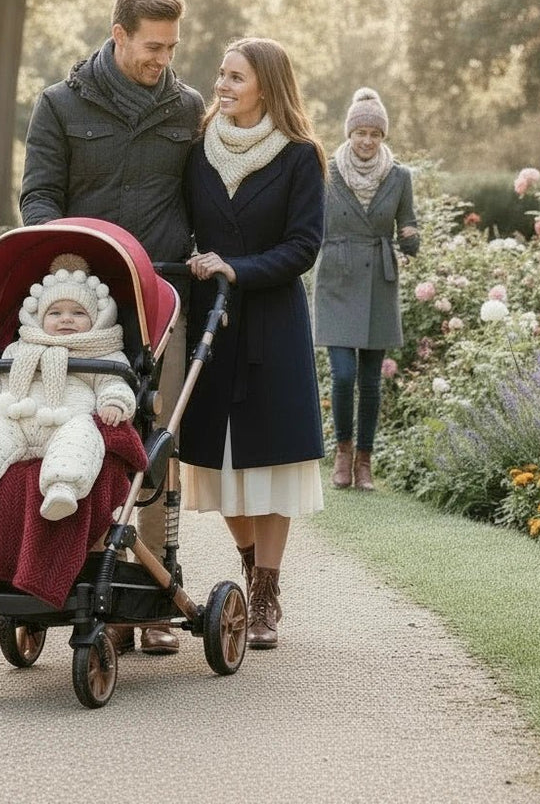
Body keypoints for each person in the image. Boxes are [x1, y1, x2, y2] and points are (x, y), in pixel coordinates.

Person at [20, 0, 204, 654]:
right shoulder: (60, 106)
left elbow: (207, 194)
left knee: (155, 441)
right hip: (82, 305)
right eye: (151, 45)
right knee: (69, 426)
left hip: (161, 298)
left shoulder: (186, 109)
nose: (163, 57)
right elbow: (38, 198)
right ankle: (61, 576)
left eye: (171, 46)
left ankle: (152, 594)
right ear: (118, 33)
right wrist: (70, 264)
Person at [179, 37, 327, 650]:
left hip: (272, 322)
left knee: (270, 462)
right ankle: (248, 562)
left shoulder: (300, 157)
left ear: (265, 84)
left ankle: (265, 594)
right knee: (216, 461)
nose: (222, 84)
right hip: (211, 327)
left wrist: (238, 268)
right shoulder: (197, 153)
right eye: (221, 74)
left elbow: (304, 246)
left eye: (235, 77)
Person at [0, 254, 136, 521]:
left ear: (96, 319)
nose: (66, 320)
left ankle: (63, 488)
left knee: (82, 436)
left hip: (68, 419)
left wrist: (114, 403)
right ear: (40, 317)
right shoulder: (21, 349)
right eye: (55, 313)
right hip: (17, 416)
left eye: (78, 313)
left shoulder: (103, 354)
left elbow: (114, 382)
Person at [312, 87, 419, 490]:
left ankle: (364, 462)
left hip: (379, 278)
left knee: (371, 381)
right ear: (350, 133)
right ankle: (341, 452)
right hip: (336, 277)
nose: (368, 140)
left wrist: (410, 237)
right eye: (361, 132)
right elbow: (309, 223)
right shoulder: (328, 172)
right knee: (342, 375)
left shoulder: (399, 176)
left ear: (383, 137)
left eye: (376, 134)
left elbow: (409, 224)